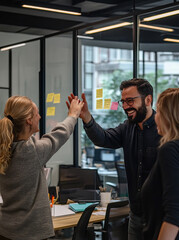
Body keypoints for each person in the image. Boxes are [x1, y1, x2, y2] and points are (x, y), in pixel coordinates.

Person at [66, 78, 161, 240]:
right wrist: (86, 117)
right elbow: (103, 139)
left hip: (160, 216)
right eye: (123, 101)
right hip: (136, 215)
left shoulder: (164, 129)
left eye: (130, 101)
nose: (125, 106)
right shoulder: (127, 128)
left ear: (148, 100)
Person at [0, 95, 83, 240]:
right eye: (37, 113)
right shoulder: (31, 151)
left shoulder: (4, 149)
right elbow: (61, 134)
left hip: (5, 230)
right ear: (28, 120)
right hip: (32, 233)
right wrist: (73, 115)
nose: (40, 116)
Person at [141, 88, 179, 240]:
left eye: (159, 112)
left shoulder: (169, 150)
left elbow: (174, 214)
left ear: (170, 117)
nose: (156, 117)